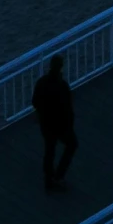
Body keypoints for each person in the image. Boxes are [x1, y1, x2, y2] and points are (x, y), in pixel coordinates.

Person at [31, 54, 77, 193]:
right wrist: (69, 123)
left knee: (49, 150)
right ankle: (59, 175)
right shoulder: (62, 85)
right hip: (61, 125)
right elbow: (68, 107)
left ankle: (49, 180)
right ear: (61, 67)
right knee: (72, 145)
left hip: (46, 124)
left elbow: (35, 101)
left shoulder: (42, 82)